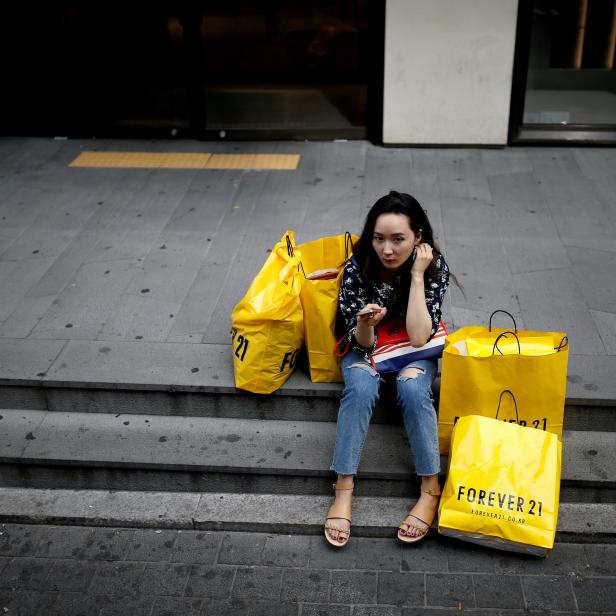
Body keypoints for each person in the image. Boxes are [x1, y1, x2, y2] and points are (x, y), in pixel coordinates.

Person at [324, 191, 450, 547]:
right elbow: (360, 343)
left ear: (418, 238)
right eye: (379, 239)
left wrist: (417, 276)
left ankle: (430, 490)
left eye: (398, 239)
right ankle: (343, 490)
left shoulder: (435, 268)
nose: (387, 249)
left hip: (411, 345)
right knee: (361, 386)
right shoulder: (357, 267)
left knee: (412, 387)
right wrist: (365, 322)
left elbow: (419, 335)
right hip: (369, 345)